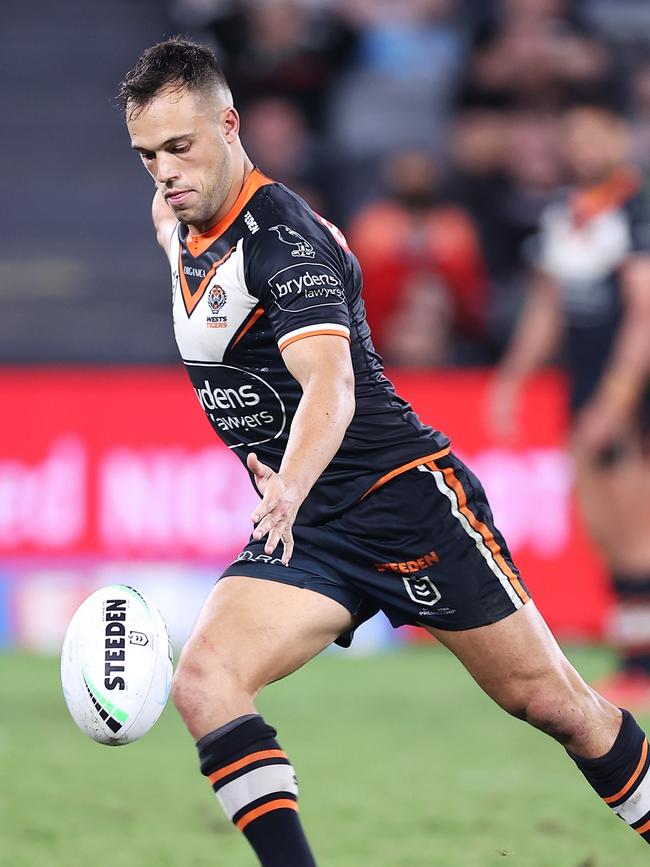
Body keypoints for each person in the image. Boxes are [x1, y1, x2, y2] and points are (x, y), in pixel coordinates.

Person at [119, 40, 650, 865]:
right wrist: (285, 484)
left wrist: (286, 484)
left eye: (180, 147)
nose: (165, 172)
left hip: (403, 500)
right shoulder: (174, 220)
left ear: (229, 124)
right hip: (312, 528)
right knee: (205, 680)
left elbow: (332, 384)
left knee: (556, 704)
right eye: (147, 154)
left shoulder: (285, 244)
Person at [490, 104, 650, 711]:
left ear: (619, 135)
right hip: (582, 390)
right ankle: (633, 656)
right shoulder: (566, 215)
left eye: (593, 133)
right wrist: (512, 379)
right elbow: (547, 308)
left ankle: (641, 664)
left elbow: (643, 313)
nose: (581, 146)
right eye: (572, 135)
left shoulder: (635, 210)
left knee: (637, 529)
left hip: (628, 396)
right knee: (605, 531)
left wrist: (618, 398)